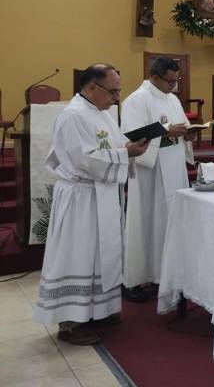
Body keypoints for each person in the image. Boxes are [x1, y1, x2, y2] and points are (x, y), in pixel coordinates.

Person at [33, 64, 149, 345]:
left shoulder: (102, 113)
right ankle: (71, 323)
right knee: (79, 255)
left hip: (102, 194)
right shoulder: (73, 116)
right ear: (92, 87)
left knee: (101, 254)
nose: (117, 97)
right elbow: (83, 160)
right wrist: (125, 153)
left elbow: (114, 145)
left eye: (118, 91)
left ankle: (99, 310)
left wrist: (131, 147)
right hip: (80, 199)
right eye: (113, 91)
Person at [121, 57, 193, 302]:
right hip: (150, 170)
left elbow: (182, 125)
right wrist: (166, 132)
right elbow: (132, 137)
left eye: (176, 80)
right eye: (170, 80)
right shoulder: (136, 100)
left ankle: (165, 273)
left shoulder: (172, 99)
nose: (174, 85)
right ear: (154, 76)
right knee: (146, 222)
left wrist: (188, 134)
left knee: (169, 221)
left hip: (173, 165)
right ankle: (135, 278)